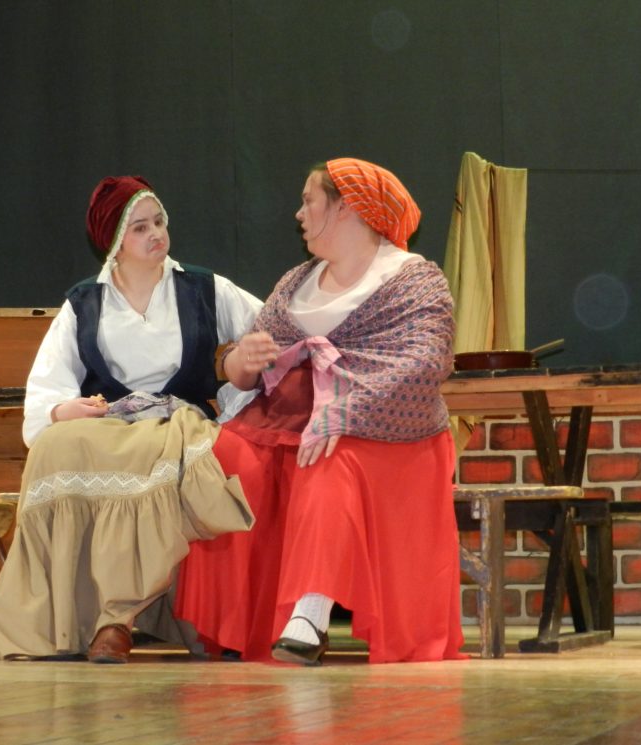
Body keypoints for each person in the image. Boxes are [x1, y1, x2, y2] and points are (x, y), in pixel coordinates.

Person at [173, 158, 467, 665]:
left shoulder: (413, 280)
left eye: (309, 200)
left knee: (326, 456)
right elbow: (248, 367)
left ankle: (308, 616)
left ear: (347, 207)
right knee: (226, 456)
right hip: (283, 420)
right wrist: (244, 362)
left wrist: (347, 413)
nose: (299, 213)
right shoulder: (298, 281)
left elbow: (425, 363)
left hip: (382, 432)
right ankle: (238, 625)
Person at [0, 175, 262, 663]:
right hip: (110, 425)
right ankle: (67, 623)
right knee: (54, 446)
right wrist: (65, 410)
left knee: (156, 453)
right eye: (140, 228)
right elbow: (48, 387)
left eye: (159, 222)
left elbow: (269, 328)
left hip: (177, 421)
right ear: (113, 242)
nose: (156, 234)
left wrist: (245, 367)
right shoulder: (84, 302)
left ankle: (117, 620)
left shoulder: (204, 288)